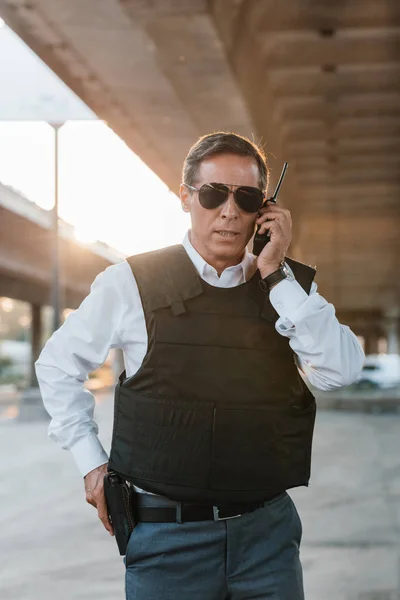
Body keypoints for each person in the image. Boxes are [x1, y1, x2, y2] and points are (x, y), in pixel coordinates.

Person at [35, 132, 365, 600]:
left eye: (246, 197)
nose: (229, 211)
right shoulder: (131, 283)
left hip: (266, 537)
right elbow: (57, 365)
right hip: (168, 542)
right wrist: (91, 465)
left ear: (265, 209)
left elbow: (342, 371)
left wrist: (276, 275)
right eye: (213, 194)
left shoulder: (288, 289)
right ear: (186, 198)